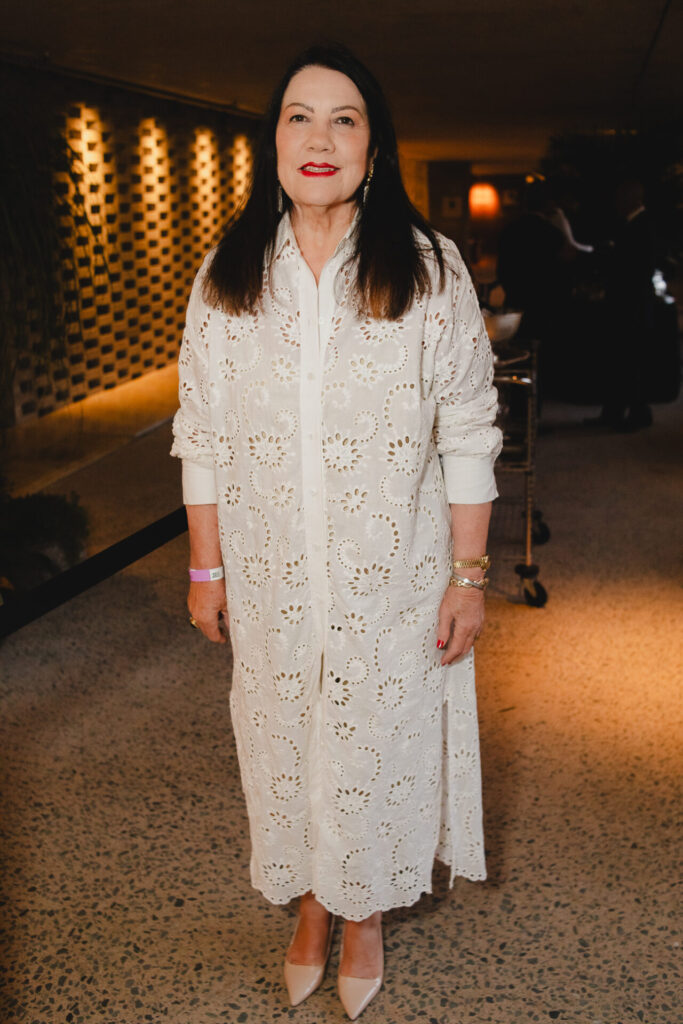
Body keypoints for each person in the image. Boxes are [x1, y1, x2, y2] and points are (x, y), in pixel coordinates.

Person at [171, 43, 502, 1020]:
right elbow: (201, 432)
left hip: (391, 576)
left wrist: (469, 575)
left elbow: (469, 427)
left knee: (375, 745)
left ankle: (363, 914)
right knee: (286, 739)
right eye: (298, 116)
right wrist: (205, 569)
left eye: (343, 118)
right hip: (273, 578)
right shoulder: (229, 274)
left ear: (373, 147)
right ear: (272, 142)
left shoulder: (427, 268)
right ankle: (311, 903)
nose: (319, 137)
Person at [590, 177, 657, 431]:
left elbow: (637, 268)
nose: (617, 203)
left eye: (621, 198)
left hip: (634, 305)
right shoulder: (631, 224)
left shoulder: (643, 225)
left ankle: (636, 413)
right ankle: (615, 411)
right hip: (628, 303)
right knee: (621, 359)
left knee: (632, 360)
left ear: (632, 199)